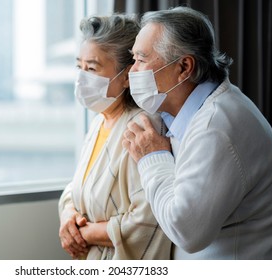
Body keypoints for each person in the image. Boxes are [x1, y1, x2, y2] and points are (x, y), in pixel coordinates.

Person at [123, 6, 272, 259]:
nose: (131, 72)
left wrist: (152, 158)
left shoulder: (217, 127)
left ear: (184, 67)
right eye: (133, 59)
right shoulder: (175, 112)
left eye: (142, 60)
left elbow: (187, 231)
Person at [58, 14, 171, 260]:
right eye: (79, 66)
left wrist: (83, 234)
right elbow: (81, 186)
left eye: (92, 68)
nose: (81, 77)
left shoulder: (141, 128)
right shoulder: (100, 121)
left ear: (126, 75)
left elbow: (147, 218)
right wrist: (68, 214)